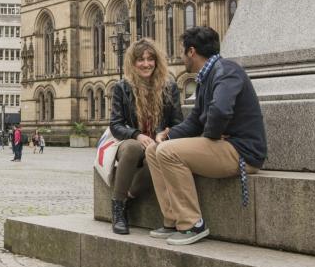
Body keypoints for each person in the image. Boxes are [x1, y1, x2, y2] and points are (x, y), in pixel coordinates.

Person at [146, 27, 267, 245]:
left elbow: (220, 111)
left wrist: (212, 134)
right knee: (154, 150)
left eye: (182, 52)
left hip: (241, 152)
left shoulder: (227, 70)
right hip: (224, 145)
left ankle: (192, 224)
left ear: (191, 52)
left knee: (167, 152)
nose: (181, 57)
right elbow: (195, 121)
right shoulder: (207, 76)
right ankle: (173, 218)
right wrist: (169, 135)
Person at [108, 38, 183, 235]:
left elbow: (177, 123)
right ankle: (118, 208)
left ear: (157, 61)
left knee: (156, 154)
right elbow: (115, 125)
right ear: (132, 63)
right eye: (140, 59)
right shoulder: (122, 87)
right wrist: (136, 135)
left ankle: (128, 196)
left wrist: (164, 134)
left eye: (150, 59)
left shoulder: (169, 87)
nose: (146, 64)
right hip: (130, 143)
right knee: (133, 147)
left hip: (156, 144)